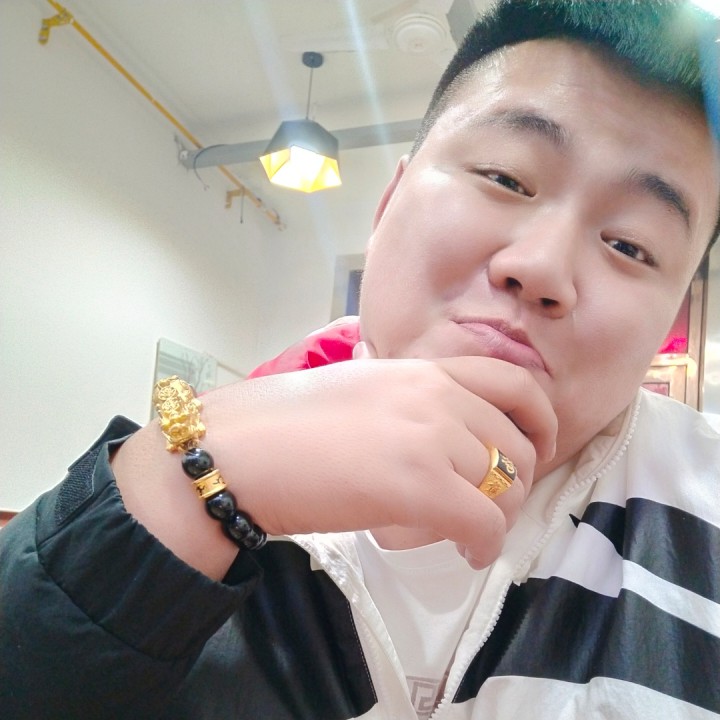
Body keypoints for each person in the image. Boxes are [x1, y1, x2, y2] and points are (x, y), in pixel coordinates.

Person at [1, 1, 719, 718]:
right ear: (387, 205)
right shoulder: (197, 457)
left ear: (671, 317)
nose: (541, 268)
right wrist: (182, 475)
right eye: (505, 178)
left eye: (631, 245)